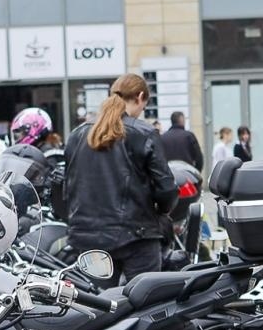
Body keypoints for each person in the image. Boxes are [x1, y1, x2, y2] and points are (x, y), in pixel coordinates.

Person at [63, 73, 178, 281]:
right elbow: (166, 189)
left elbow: (68, 187)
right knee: (146, 303)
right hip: (137, 235)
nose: (141, 112)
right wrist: (160, 212)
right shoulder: (143, 133)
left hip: (89, 237)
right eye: (143, 106)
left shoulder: (77, 135)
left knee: (99, 306)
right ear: (140, 96)